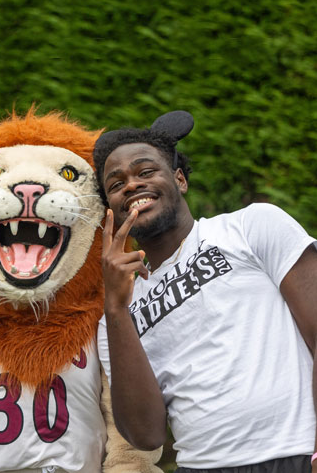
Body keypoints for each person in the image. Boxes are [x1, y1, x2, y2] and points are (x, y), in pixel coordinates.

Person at [93, 111, 317, 473]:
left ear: (179, 179)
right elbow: (146, 435)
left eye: (146, 171)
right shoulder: (114, 318)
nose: (131, 185)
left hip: (297, 452)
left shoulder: (251, 227)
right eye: (116, 184)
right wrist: (117, 309)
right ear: (110, 210)